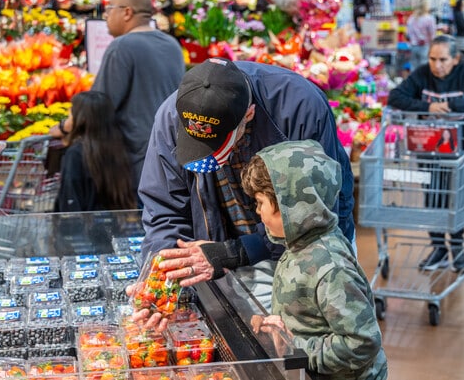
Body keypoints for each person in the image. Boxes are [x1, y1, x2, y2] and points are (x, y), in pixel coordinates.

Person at [138, 58, 356, 301]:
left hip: (303, 251)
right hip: (221, 252)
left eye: (217, 144)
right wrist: (163, 282)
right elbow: (164, 210)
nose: (208, 158)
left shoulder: (300, 106)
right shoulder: (170, 117)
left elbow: (313, 213)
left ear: (249, 114)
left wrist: (238, 251)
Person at [243, 140, 388, 380]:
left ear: (291, 206)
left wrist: (296, 350)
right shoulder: (299, 244)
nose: (257, 211)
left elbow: (362, 342)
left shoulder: (331, 266)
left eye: (260, 203)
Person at [51, 0, 185, 190]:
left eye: (109, 8)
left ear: (127, 12)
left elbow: (97, 105)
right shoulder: (172, 45)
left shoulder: (122, 47)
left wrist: (62, 128)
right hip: (172, 154)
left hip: (136, 161)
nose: (105, 15)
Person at [387, 35, 464, 272]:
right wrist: (427, 107)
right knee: (433, 197)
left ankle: (456, 245)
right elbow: (395, 96)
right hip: (428, 150)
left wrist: (453, 106)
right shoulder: (422, 74)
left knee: (457, 198)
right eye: (433, 59)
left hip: (462, 151)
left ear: (455, 59)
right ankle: (439, 247)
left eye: (443, 59)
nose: (437, 65)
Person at [54, 91, 137, 213]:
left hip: (86, 227)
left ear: (81, 119)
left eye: (70, 115)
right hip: (116, 226)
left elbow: (70, 198)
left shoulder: (76, 154)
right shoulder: (119, 149)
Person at [406, 0, 436, 70]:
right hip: (425, 47)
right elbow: (432, 34)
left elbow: (408, 34)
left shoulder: (412, 18)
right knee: (424, 68)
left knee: (413, 68)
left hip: (413, 47)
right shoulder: (429, 18)